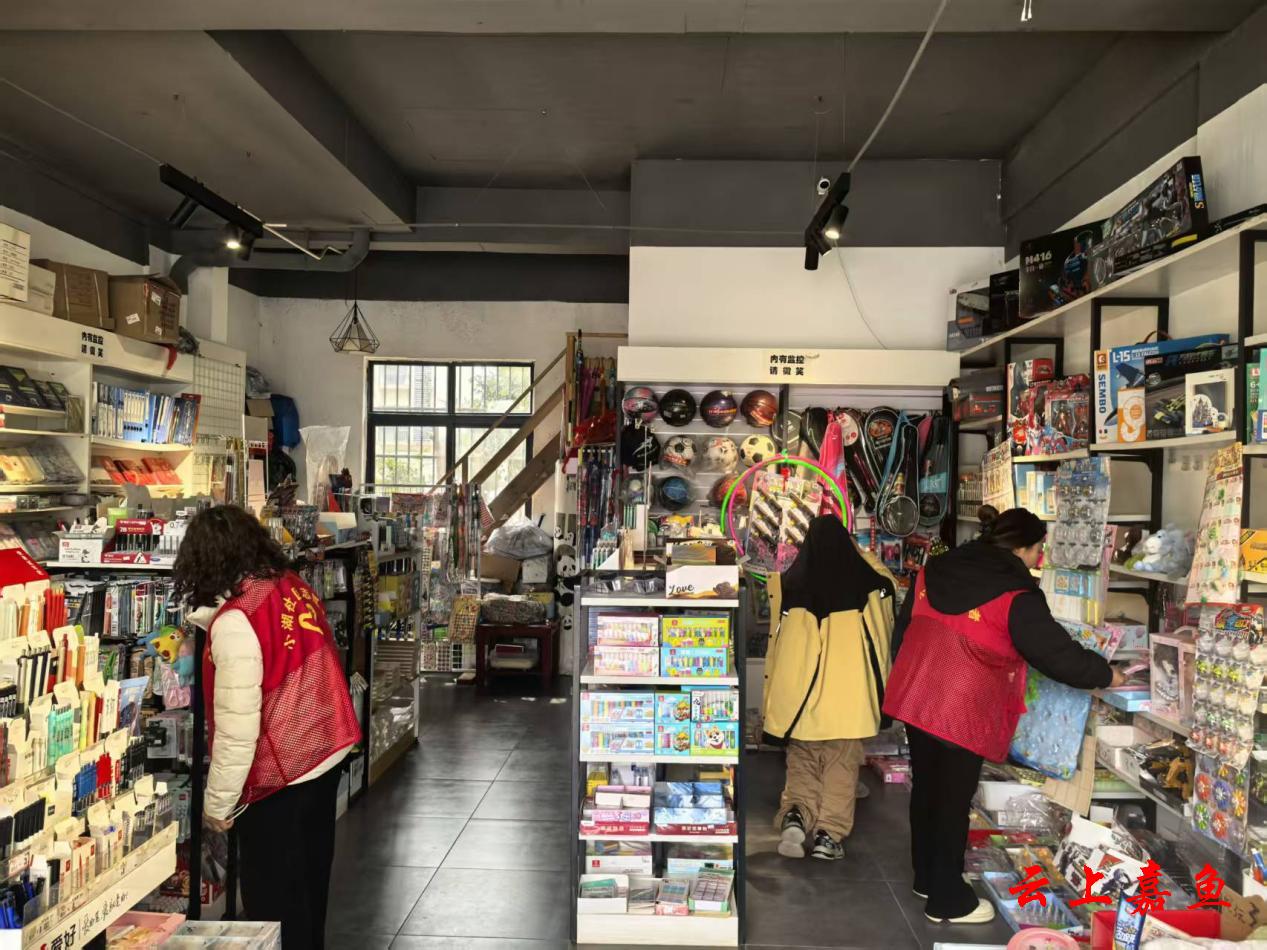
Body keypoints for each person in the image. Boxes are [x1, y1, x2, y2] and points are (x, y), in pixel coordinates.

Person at [883, 507, 1124, 924]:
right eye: (1038, 550)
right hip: (965, 703)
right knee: (953, 800)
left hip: (918, 692)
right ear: (1023, 548)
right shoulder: (1015, 592)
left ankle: (928, 876)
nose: (1038, 559)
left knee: (928, 789)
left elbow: (903, 630)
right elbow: (1054, 653)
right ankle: (947, 900)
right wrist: (1106, 674)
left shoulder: (936, 569)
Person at [173, 506, 361, 949]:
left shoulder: (237, 620)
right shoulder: (289, 585)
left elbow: (238, 727)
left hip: (283, 769)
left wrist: (218, 805)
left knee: (272, 899)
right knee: (310, 883)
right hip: (325, 746)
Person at [763, 515, 897, 861]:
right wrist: (860, 552)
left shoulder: (793, 587)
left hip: (804, 700)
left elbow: (785, 652)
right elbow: (889, 587)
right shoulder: (870, 587)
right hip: (850, 704)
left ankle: (796, 815)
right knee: (841, 767)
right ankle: (828, 835)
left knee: (802, 760)